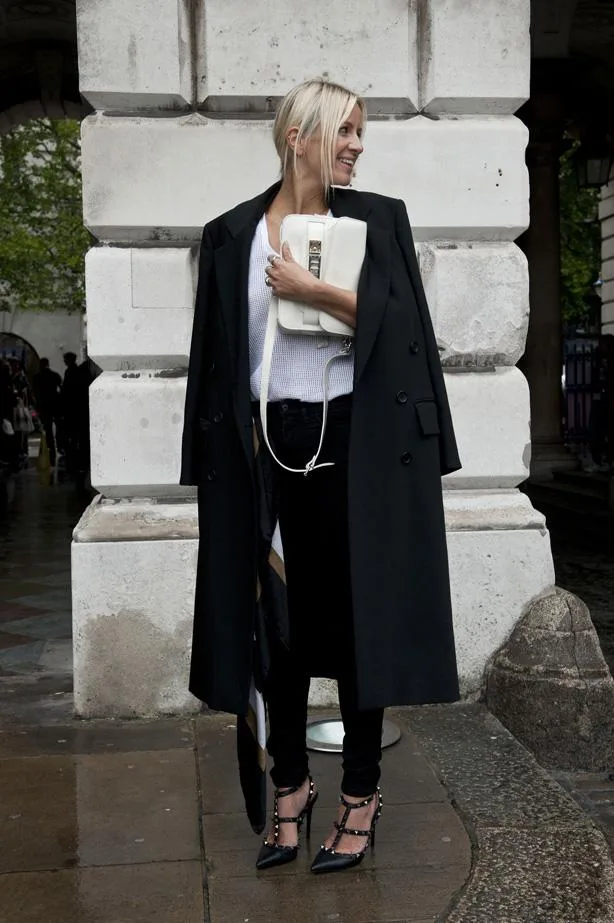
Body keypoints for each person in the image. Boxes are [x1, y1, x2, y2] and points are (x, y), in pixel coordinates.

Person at [181, 78, 461, 875]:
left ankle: (361, 795)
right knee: (278, 628)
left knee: (359, 625)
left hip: (357, 442)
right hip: (266, 446)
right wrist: (205, 468)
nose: (357, 146)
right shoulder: (233, 234)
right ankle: (293, 787)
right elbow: (215, 360)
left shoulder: (377, 220)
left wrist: (316, 292)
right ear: (297, 135)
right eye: (345, 132)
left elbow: (406, 328)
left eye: (361, 133)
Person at [33, 358, 62, 466]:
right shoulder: (55, 375)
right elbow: (60, 388)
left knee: (48, 429)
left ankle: (50, 448)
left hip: (44, 407)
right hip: (55, 405)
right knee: (59, 426)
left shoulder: (37, 377)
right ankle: (59, 447)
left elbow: (35, 393)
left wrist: (37, 406)